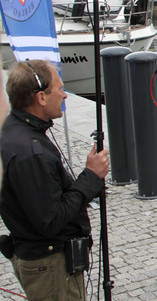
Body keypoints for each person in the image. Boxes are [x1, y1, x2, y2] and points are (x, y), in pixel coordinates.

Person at [0, 60, 109, 301]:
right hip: (51, 267)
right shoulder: (31, 153)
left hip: (41, 259)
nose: (65, 96)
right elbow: (51, 220)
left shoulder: (14, 128)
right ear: (40, 98)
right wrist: (90, 178)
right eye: (60, 89)